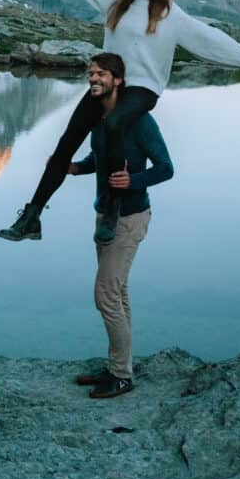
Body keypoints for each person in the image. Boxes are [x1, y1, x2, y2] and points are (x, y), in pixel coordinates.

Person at [0, 0, 240, 246]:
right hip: (111, 83)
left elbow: (209, 38)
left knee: (114, 122)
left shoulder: (170, 13)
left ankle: (111, 208)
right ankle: (32, 216)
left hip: (144, 88)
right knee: (67, 142)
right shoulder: (116, 1)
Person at [66, 54, 174, 399]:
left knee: (106, 295)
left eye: (101, 73)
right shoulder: (100, 118)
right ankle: (118, 365)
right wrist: (73, 168)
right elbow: (97, 159)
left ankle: (122, 377)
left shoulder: (140, 121)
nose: (93, 78)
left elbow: (166, 168)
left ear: (118, 80)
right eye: (91, 73)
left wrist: (134, 180)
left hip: (129, 219)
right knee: (118, 291)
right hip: (104, 217)